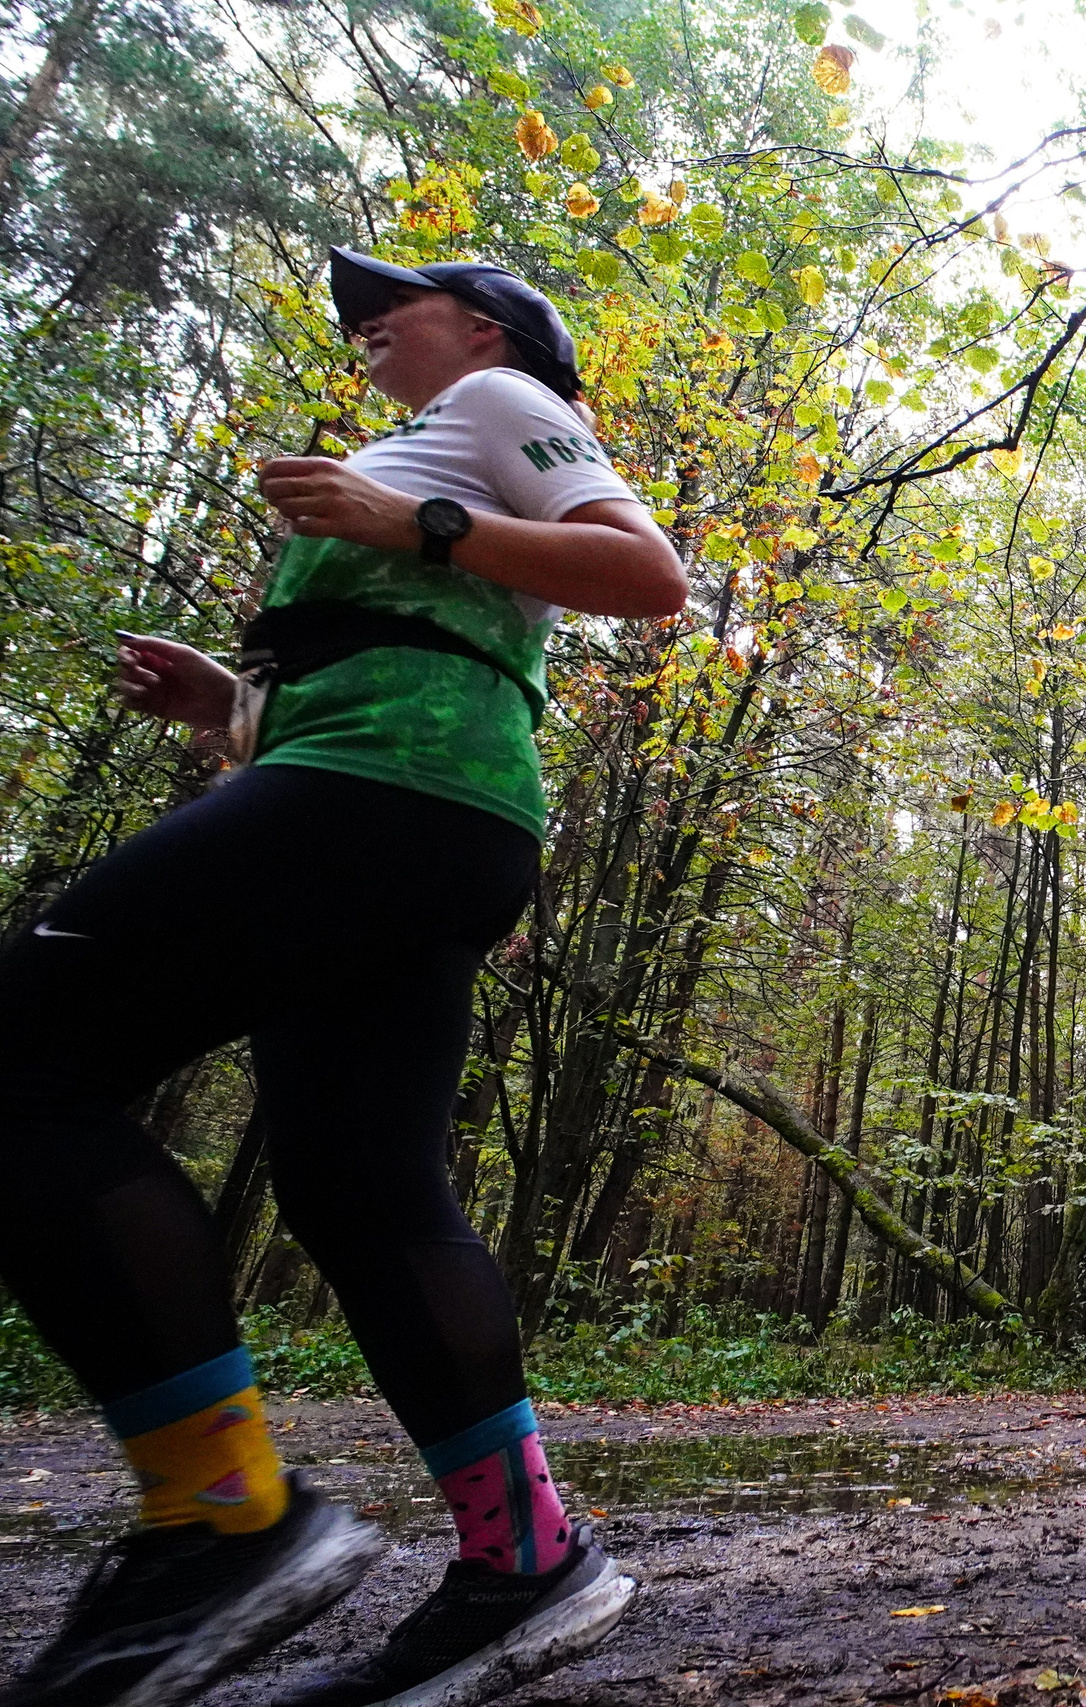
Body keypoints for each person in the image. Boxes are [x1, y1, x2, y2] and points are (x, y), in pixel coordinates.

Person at [0, 248, 685, 1707]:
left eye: (403, 294)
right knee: (361, 1187)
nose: (365, 315)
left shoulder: (499, 396)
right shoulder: (438, 436)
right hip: (396, 798)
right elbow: (427, 650)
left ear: (490, 327)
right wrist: (233, 703)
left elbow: (650, 577)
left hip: (397, 802)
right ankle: (530, 1556)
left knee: (19, 1061)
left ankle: (220, 1517)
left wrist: (409, 515)